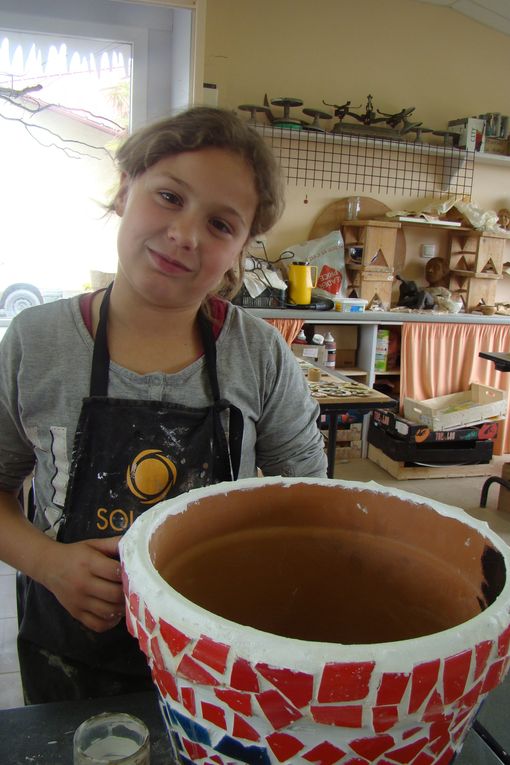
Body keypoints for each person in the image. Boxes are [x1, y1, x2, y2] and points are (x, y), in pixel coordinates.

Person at [0, 106, 327, 704]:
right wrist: (47, 562)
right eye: (169, 196)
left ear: (242, 250)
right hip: (69, 647)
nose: (185, 235)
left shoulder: (259, 355)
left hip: (221, 650)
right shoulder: (35, 341)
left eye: (221, 224)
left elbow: (309, 504)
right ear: (126, 191)